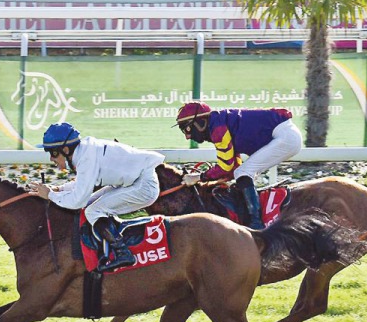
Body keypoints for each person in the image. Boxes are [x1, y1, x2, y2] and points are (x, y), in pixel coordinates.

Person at [30, 122, 164, 272]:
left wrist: (50, 195)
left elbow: (77, 201)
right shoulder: (85, 152)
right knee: (91, 205)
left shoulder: (86, 159)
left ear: (66, 149)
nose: (51, 159)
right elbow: (83, 183)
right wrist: (59, 189)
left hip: (142, 187)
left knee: (92, 211)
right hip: (133, 182)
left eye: (53, 153)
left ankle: (123, 253)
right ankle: (107, 246)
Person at [174, 102, 304, 230]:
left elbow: (226, 166)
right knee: (242, 172)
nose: (187, 136)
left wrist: (198, 177)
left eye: (187, 129)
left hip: (286, 137)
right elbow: (233, 168)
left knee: (244, 173)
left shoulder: (218, 128)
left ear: (199, 122)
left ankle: (256, 224)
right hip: (286, 134)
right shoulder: (220, 122)